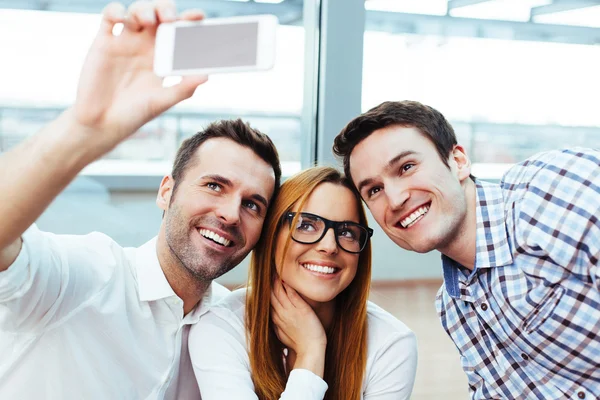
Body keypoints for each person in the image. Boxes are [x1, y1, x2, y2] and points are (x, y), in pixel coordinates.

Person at [0, 1, 281, 399]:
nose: (230, 214)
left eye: (253, 204)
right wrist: (83, 129)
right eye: (214, 185)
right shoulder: (89, 276)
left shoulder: (232, 325)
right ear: (166, 191)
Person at [332, 100, 600, 399]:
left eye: (407, 167)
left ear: (458, 161)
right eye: (375, 190)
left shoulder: (548, 191)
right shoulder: (455, 308)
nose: (394, 200)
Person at [188, 166, 418, 400]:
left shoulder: (392, 343)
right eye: (306, 225)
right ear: (271, 234)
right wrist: (311, 353)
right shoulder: (221, 325)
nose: (329, 246)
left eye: (347, 232)